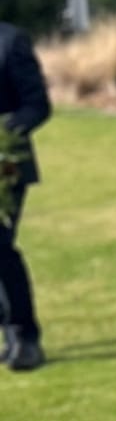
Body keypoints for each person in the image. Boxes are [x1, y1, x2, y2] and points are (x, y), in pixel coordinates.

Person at [0, 20, 51, 371]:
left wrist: (3, 133)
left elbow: (37, 105)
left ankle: (24, 336)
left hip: (6, 167)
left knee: (0, 246)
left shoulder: (10, 41)